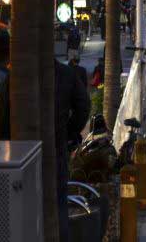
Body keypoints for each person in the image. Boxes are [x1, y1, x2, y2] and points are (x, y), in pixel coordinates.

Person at [55, 58, 90, 242]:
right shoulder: (66, 74)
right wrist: (68, 131)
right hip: (57, 147)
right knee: (59, 203)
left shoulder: (16, 76)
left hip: (21, 150)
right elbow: (83, 106)